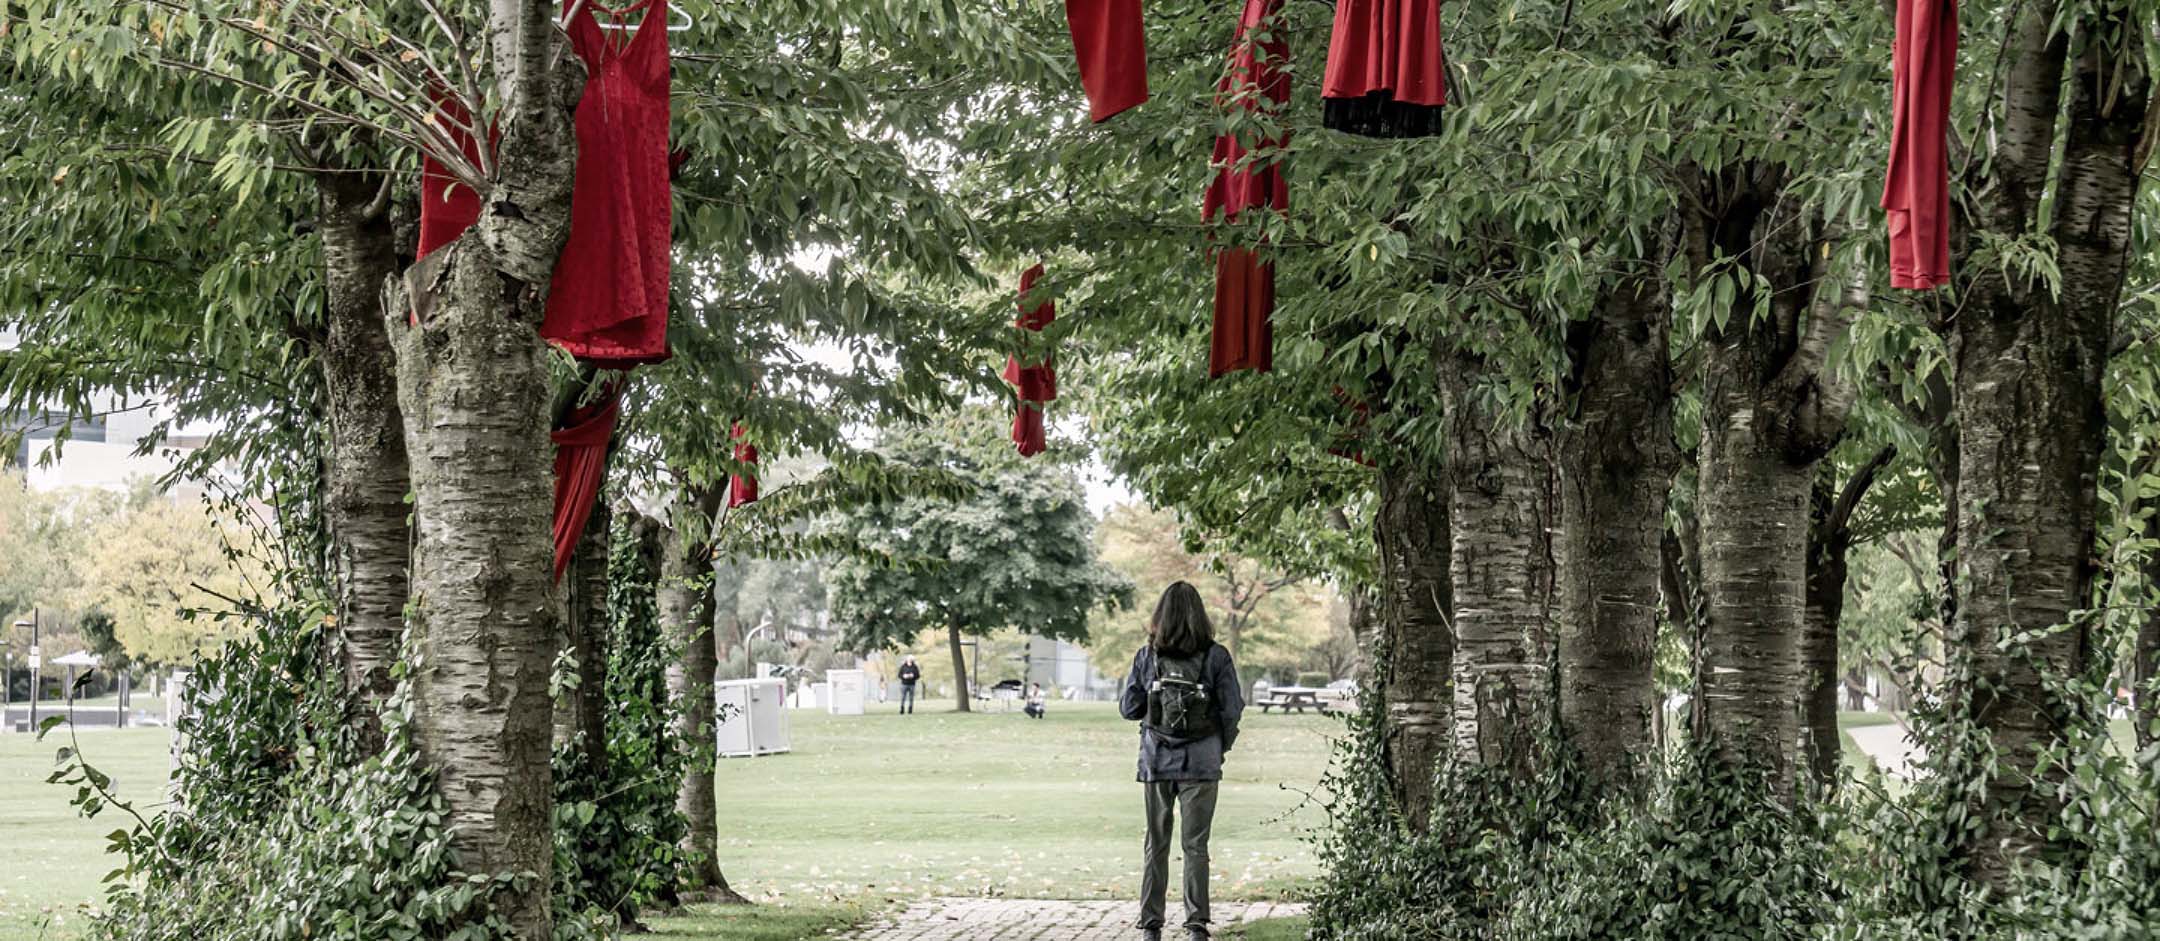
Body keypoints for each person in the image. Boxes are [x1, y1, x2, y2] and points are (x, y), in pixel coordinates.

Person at [1119, 581, 1244, 941]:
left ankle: (1151, 925)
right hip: (1202, 762)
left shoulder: (1147, 656)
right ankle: (1196, 925)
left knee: (1156, 842)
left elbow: (1129, 709)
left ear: (1161, 615)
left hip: (1157, 759)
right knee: (1196, 846)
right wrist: (1221, 746)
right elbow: (1232, 709)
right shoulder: (1216, 656)